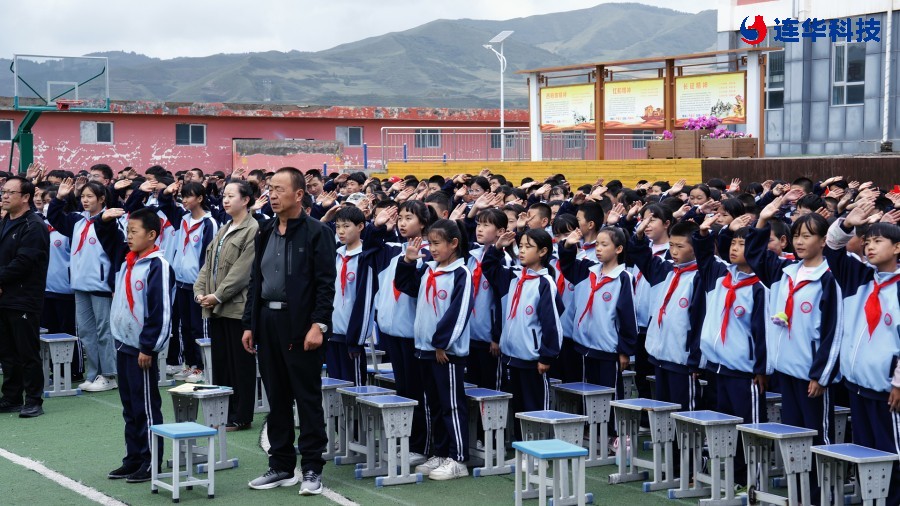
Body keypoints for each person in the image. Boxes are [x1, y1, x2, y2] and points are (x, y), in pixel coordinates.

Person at [242, 167, 336, 495]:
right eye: (270, 189)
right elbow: (256, 280)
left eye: (280, 189)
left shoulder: (317, 232)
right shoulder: (265, 230)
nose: (272, 195)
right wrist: (250, 324)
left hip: (302, 326)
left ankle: (311, 467)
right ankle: (281, 465)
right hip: (268, 322)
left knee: (306, 398)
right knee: (277, 396)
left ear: (299, 194)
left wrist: (318, 325)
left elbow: (326, 284)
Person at [825, 201, 900, 505]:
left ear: (897, 248)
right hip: (857, 384)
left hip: (887, 389)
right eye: (867, 241)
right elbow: (832, 249)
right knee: (867, 453)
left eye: (878, 241)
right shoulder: (858, 277)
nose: (869, 247)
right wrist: (846, 224)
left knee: (891, 452)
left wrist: (898, 382)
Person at [395, 220, 473, 480]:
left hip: (447, 352)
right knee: (434, 405)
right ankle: (440, 452)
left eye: (437, 243)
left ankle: (458, 458)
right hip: (425, 349)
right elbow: (406, 286)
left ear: (454, 243)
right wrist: (408, 261)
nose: (432, 248)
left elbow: (458, 313)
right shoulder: (429, 269)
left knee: (451, 405)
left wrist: (442, 343)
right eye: (430, 243)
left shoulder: (461, 274)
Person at [105, 208, 174, 483]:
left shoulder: (158, 266)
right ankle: (132, 457)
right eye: (127, 231)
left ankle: (150, 461)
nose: (129, 236)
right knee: (129, 406)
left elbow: (161, 312)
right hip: (123, 344)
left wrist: (148, 347)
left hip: (141, 349)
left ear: (152, 234)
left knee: (145, 406)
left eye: (134, 232)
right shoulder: (128, 262)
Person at [482, 228, 564, 438]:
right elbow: (488, 267)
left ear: (543, 251)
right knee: (518, 408)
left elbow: (552, 322)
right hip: (513, 356)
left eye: (529, 247)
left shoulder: (545, 283)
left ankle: (539, 447)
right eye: (520, 246)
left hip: (533, 359)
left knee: (535, 408)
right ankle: (522, 447)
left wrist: (546, 355)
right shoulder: (513, 276)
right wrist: (497, 248)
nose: (522, 251)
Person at [194, 181, 259, 431]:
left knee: (239, 364)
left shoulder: (252, 229)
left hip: (236, 308)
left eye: (231, 196)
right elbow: (208, 264)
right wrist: (200, 291)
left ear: (246, 200)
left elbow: (242, 272)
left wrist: (218, 296)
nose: (226, 200)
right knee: (221, 363)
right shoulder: (225, 228)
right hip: (216, 307)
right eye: (224, 196)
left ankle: (241, 415)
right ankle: (223, 412)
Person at [48, 178, 119, 392]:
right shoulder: (78, 220)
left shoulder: (110, 220)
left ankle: (109, 375)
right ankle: (94, 374)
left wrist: (114, 283)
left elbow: (117, 253)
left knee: (104, 331)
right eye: (83, 196)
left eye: (90, 197)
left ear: (102, 198)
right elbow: (55, 218)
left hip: (101, 285)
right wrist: (59, 198)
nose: (85, 200)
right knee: (87, 333)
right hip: (79, 284)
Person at [0, 176, 50, 417]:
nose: (5, 196)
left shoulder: (34, 225)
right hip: (5, 296)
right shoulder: (5, 221)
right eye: (3, 191)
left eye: (11, 192)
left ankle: (33, 400)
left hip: (24, 297)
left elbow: (24, 262)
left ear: (26, 197)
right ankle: (11, 397)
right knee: (7, 351)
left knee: (27, 351)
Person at [159, 181, 218, 383]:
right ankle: (190, 364)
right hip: (181, 282)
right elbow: (165, 205)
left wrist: (203, 284)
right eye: (182, 196)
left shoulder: (209, 223)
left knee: (198, 327)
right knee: (183, 326)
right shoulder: (182, 218)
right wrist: (167, 192)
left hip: (198, 284)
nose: (183, 200)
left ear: (200, 198)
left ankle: (203, 367)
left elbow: (209, 258)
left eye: (188, 196)